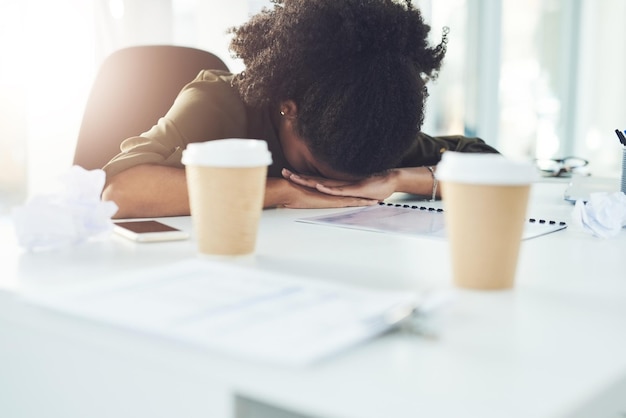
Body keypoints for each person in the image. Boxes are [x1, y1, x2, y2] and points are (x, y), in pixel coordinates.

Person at [102, 0, 498, 219]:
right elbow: (119, 191)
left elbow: (494, 168)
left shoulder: (371, 128)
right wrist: (282, 191)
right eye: (316, 167)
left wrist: (396, 178)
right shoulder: (219, 102)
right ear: (287, 109)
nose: (332, 187)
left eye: (355, 178)